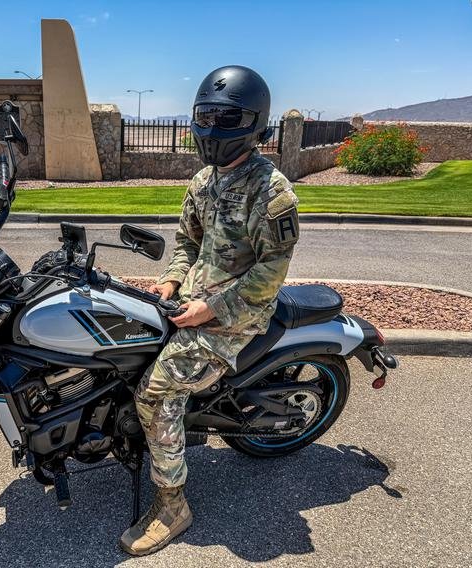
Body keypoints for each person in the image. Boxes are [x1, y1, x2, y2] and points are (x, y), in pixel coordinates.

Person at [119, 65, 301, 555]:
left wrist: (212, 308)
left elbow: (272, 270)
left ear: (254, 125)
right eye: (207, 116)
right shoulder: (203, 180)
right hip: (190, 299)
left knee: (155, 396)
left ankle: (173, 507)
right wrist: (171, 279)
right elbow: (186, 241)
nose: (213, 128)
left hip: (236, 318)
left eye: (227, 118)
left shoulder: (272, 191)